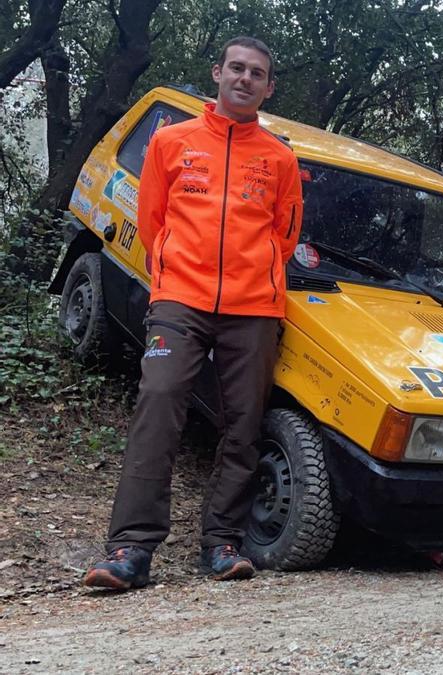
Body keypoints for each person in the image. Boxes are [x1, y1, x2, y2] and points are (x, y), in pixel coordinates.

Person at [84, 37, 305, 590]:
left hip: (253, 308)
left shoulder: (281, 158)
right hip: (180, 300)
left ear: (268, 88)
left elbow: (285, 235)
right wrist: (179, 271)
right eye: (237, 68)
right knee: (158, 404)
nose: (246, 79)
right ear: (217, 74)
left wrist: (252, 276)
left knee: (242, 425)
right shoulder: (172, 141)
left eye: (257, 73)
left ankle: (222, 542)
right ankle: (131, 549)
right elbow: (154, 219)